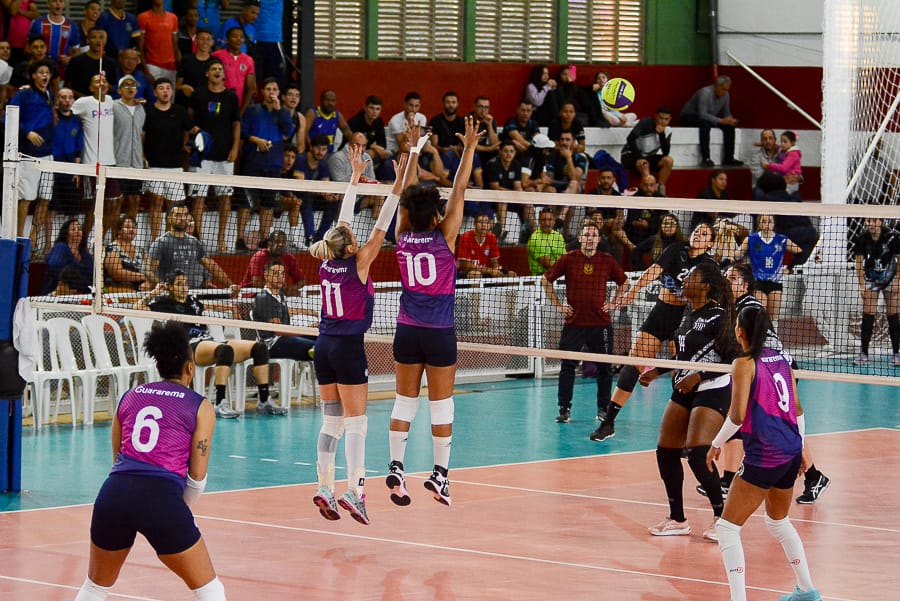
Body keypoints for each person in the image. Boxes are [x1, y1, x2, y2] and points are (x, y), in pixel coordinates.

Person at [73, 320, 226, 601]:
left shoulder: (129, 397)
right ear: (190, 367)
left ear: (158, 366)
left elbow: (117, 457)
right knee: (210, 590)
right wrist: (175, 512)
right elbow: (197, 477)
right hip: (161, 499)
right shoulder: (200, 405)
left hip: (114, 494)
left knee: (95, 588)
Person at [309, 144, 405, 524]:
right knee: (356, 423)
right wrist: (397, 186)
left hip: (323, 347)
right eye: (350, 235)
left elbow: (341, 223)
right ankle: (357, 490)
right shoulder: (359, 262)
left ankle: (323, 487)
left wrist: (353, 180)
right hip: (349, 348)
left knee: (331, 422)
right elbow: (382, 224)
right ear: (349, 246)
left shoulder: (326, 263)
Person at [386, 117, 479, 508]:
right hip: (439, 332)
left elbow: (406, 195)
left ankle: (396, 466)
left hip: (407, 330)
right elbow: (459, 188)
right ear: (437, 214)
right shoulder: (446, 237)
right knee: (442, 405)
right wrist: (470, 147)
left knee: (403, 401)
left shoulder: (402, 237)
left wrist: (411, 151)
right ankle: (440, 476)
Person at [707, 304, 823, 601]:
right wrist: (799, 448)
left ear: (740, 331)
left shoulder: (744, 363)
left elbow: (736, 414)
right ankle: (807, 591)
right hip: (790, 450)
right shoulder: (782, 359)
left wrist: (716, 443)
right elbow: (797, 408)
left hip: (766, 454)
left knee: (727, 528)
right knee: (778, 521)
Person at [592, 222, 718, 442]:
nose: (699, 234)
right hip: (663, 312)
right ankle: (608, 422)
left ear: (710, 244)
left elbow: (715, 296)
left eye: (705, 234)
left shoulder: (709, 266)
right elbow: (653, 272)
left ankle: (685, 431)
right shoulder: (676, 250)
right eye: (697, 230)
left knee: (680, 372)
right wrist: (633, 291)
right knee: (635, 362)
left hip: (688, 318)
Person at [639, 262, 738, 541]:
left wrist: (700, 375)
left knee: (697, 452)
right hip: (683, 387)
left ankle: (723, 518)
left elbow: (734, 360)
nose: (685, 278)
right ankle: (677, 519)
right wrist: (656, 372)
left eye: (691, 276)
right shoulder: (687, 316)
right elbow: (684, 359)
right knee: (666, 450)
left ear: (705, 286)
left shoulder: (721, 316)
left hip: (712, 387)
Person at [721, 264, 831, 505]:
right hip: (763, 370)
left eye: (732, 278)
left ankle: (813, 476)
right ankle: (728, 479)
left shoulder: (750, 308)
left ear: (745, 284)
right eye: (725, 277)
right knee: (749, 422)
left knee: (780, 427)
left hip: (776, 370)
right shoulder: (735, 307)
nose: (726, 281)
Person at [137, 269, 271, 419]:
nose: (184, 287)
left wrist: (230, 305)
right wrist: (154, 292)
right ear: (170, 287)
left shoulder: (192, 301)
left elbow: (208, 307)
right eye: (179, 284)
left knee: (259, 348)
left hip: (207, 340)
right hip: (189, 346)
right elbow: (137, 308)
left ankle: (264, 401)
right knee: (224, 350)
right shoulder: (163, 303)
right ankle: (220, 402)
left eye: (186, 284)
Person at [542, 222, 628, 424]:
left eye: (594, 235)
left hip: (601, 324)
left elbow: (624, 282)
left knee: (605, 368)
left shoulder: (606, 260)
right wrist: (559, 305)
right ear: (580, 238)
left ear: (599, 240)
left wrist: (614, 303)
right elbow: (546, 280)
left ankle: (603, 409)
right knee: (567, 367)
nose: (590, 238)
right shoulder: (568, 259)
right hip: (574, 324)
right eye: (586, 234)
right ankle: (564, 409)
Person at [187, 57, 241, 253]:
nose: (217, 71)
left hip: (224, 156)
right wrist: (190, 143)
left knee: (225, 197)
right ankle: (198, 239)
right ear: (207, 73)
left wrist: (235, 148)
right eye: (214, 68)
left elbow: (236, 125)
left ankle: (221, 240)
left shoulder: (231, 97)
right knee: (198, 198)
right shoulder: (198, 95)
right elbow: (190, 120)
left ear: (224, 75)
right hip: (201, 156)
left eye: (220, 68)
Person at [249, 260, 316, 415]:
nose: (279, 277)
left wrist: (306, 312)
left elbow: (285, 311)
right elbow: (278, 330)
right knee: (315, 345)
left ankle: (315, 353)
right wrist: (307, 329)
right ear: (266, 276)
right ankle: (313, 352)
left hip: (284, 340)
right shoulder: (263, 297)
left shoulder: (280, 295)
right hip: (270, 344)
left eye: (282, 274)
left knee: (322, 340)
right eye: (275, 273)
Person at [9, 60, 54, 251]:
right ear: (33, 75)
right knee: (26, 199)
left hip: (48, 156)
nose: (45, 75)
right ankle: (20, 240)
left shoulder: (48, 95)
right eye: (41, 72)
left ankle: (33, 241)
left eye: (47, 73)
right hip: (28, 155)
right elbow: (7, 117)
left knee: (45, 199)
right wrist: (27, 132)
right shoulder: (24, 93)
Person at [145, 204, 239, 291]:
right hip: (169, 296)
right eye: (178, 215)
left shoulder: (194, 242)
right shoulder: (161, 243)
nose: (182, 218)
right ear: (169, 219)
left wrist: (230, 285)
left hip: (191, 294)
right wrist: (162, 285)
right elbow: (148, 271)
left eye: (185, 215)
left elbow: (212, 266)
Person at [737, 214, 802, 329]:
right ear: (759, 223)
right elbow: (737, 255)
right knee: (759, 315)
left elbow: (800, 253)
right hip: (758, 282)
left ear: (774, 223)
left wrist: (789, 268)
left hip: (775, 283)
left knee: (773, 318)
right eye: (764, 221)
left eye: (770, 221)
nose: (767, 224)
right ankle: (758, 341)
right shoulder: (752, 239)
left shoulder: (782, 239)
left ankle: (773, 342)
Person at [851, 217, 900, 366]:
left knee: (893, 314)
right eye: (868, 221)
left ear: (881, 222)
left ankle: (896, 353)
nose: (870, 224)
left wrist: (898, 279)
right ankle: (864, 353)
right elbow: (858, 263)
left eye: (874, 221)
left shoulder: (892, 237)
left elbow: (899, 259)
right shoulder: (862, 238)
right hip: (871, 279)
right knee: (868, 314)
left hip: (889, 277)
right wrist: (862, 285)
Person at [680, 75, 743, 168]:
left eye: (727, 89)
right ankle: (706, 158)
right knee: (704, 123)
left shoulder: (726, 95)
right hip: (689, 116)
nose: (725, 92)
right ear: (716, 86)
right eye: (723, 89)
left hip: (708, 117)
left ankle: (729, 158)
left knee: (729, 126)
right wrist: (720, 120)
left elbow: (727, 112)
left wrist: (730, 120)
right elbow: (702, 114)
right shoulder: (705, 93)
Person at [112, 75, 146, 224]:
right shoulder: (113, 106)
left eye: (133, 85)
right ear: (119, 90)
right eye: (126, 85)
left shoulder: (141, 109)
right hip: (119, 162)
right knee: (117, 203)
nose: (130, 88)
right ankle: (114, 239)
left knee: (135, 201)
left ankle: (129, 239)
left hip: (136, 165)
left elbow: (141, 134)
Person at [620, 107, 674, 194]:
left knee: (668, 161)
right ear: (656, 116)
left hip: (648, 156)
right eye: (660, 118)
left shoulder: (667, 131)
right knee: (644, 164)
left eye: (666, 119)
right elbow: (630, 139)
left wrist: (661, 135)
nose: (662, 121)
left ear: (670, 119)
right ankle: (648, 192)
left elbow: (665, 152)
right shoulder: (645, 123)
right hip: (631, 155)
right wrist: (639, 157)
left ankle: (660, 190)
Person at [240, 230, 305, 294]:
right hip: (251, 296)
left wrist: (291, 288)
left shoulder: (289, 258)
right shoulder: (259, 256)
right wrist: (279, 287)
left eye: (283, 242)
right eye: (277, 241)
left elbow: (302, 280)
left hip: (276, 296)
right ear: (269, 244)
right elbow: (257, 283)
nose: (281, 244)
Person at [455, 213, 517, 278]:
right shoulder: (465, 237)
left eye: (486, 222)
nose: (483, 225)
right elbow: (466, 266)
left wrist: (501, 271)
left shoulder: (492, 237)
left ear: (489, 225)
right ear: (474, 224)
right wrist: (489, 270)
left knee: (511, 275)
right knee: (476, 274)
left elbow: (495, 263)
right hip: (464, 273)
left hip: (485, 272)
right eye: (480, 222)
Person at [44, 218, 93, 294]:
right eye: (73, 229)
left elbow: (92, 274)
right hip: (57, 294)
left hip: (83, 295)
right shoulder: (61, 247)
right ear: (66, 234)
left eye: (79, 229)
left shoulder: (85, 254)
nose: (77, 231)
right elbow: (54, 265)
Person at [212, 26, 255, 112]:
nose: (239, 39)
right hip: (217, 102)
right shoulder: (216, 56)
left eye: (241, 37)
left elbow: (250, 88)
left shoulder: (248, 60)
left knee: (235, 124)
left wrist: (241, 111)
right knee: (213, 121)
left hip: (237, 105)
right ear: (227, 40)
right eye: (235, 36)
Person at [104, 216, 149, 292]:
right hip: (118, 291)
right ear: (118, 230)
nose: (131, 230)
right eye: (127, 227)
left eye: (134, 227)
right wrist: (143, 276)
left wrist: (148, 282)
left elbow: (151, 271)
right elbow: (117, 274)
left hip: (142, 291)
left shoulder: (141, 251)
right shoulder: (112, 248)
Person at [137, 0, 179, 82]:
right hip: (152, 65)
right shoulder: (143, 17)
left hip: (171, 66)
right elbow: (140, 47)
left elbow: (175, 45)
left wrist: (178, 66)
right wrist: (146, 70)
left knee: (169, 94)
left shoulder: (173, 18)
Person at [303, 89, 352, 153]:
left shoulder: (337, 115)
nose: (330, 103)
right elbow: (304, 133)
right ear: (321, 100)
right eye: (327, 100)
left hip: (330, 154)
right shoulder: (312, 113)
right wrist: (311, 148)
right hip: (313, 153)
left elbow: (347, 132)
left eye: (333, 100)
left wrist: (357, 144)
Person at [527, 208, 567, 276]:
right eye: (543, 220)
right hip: (541, 276)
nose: (547, 223)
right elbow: (547, 264)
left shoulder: (559, 236)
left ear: (554, 221)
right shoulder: (535, 238)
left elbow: (564, 259)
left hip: (559, 274)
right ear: (539, 221)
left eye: (550, 220)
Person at [762, 131, 803, 195]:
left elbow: (784, 168)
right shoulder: (784, 150)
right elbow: (777, 146)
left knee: (779, 197)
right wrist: (760, 144)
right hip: (784, 180)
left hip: (791, 183)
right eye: (781, 141)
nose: (782, 144)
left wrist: (769, 165)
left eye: (785, 141)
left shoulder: (793, 154)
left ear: (792, 143)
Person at [429, 91, 465, 155]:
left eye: (453, 102)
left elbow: (465, 143)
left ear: (457, 104)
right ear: (443, 103)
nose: (451, 105)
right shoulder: (435, 121)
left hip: (459, 154)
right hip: (441, 154)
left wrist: (457, 148)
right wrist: (443, 150)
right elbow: (434, 145)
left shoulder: (462, 122)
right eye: (448, 102)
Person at [749, 129, 780, 199]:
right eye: (765, 139)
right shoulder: (755, 157)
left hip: (778, 187)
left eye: (770, 138)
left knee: (794, 194)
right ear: (762, 141)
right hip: (761, 187)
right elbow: (761, 178)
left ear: (775, 140)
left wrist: (767, 168)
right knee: (758, 193)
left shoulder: (781, 155)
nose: (768, 141)